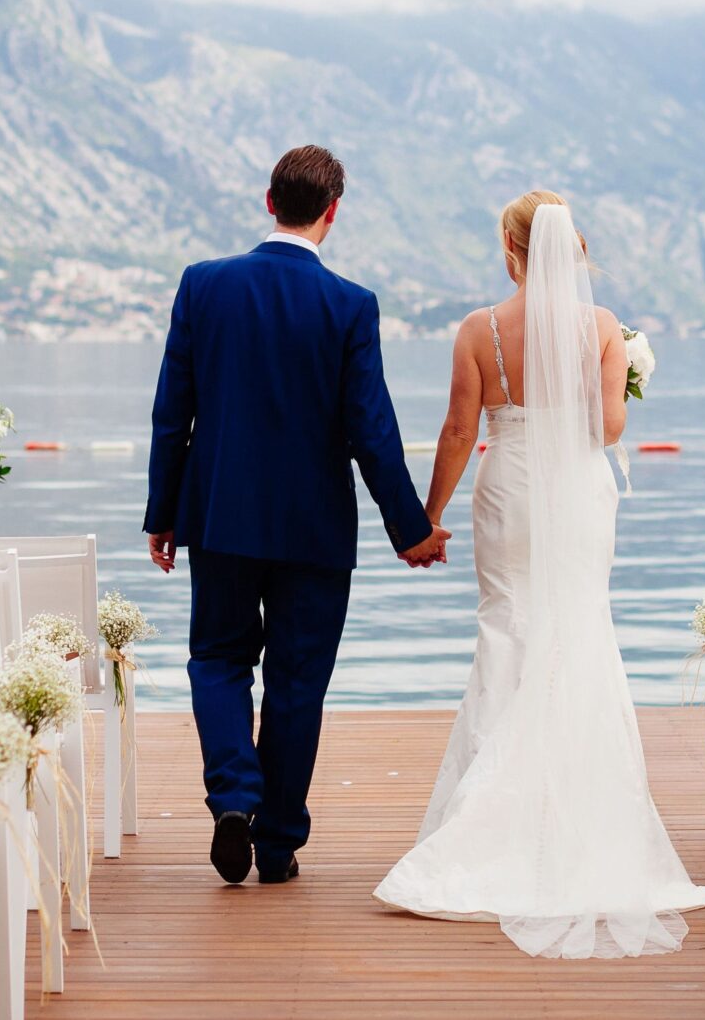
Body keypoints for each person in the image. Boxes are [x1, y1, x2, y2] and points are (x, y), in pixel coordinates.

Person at [373, 191, 705, 957]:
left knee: (508, 630)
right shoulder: (600, 329)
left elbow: (461, 429)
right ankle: (578, 825)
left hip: (508, 489)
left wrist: (425, 519)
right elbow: (611, 426)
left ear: (510, 247)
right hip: (577, 490)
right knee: (580, 631)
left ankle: (486, 824)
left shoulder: (479, 330)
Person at [143, 144, 451, 886]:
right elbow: (371, 430)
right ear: (332, 213)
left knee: (217, 660)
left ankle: (234, 801)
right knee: (297, 680)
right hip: (314, 529)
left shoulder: (203, 286)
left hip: (217, 516)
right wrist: (411, 530)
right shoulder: (350, 304)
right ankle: (276, 843)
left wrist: (164, 511)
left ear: (268, 201)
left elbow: (170, 414)